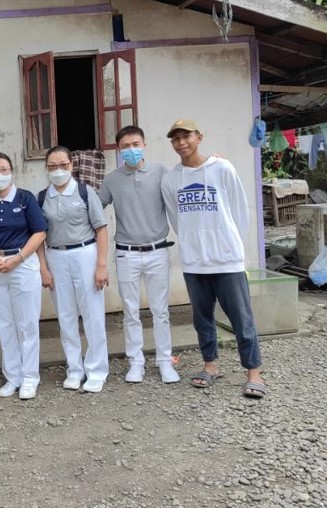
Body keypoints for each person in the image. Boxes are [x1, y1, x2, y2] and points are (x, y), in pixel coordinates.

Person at [160, 119, 266, 399]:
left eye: (186, 136)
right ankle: (211, 365)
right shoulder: (171, 179)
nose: (181, 143)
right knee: (202, 318)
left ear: (199, 137)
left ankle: (253, 372)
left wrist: (230, 244)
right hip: (194, 262)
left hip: (227, 259)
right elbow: (176, 218)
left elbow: (239, 209)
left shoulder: (222, 168)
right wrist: (195, 242)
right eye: (175, 139)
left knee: (241, 318)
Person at [99, 126, 180, 384]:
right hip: (126, 254)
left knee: (160, 310)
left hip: (158, 250)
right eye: (125, 146)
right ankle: (136, 362)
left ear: (144, 145)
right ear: (118, 150)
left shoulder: (160, 172)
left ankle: (165, 361)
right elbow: (95, 209)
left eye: (135, 144)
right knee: (130, 312)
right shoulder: (111, 179)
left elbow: (178, 197)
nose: (131, 150)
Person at [37, 146, 110, 394]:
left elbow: (101, 229)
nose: (58, 170)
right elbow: (39, 236)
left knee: (92, 313)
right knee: (66, 316)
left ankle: (97, 370)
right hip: (55, 255)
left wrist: (101, 265)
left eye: (63, 165)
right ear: (46, 168)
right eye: (52, 166)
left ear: (71, 166)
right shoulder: (41, 198)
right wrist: (43, 268)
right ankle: (74, 369)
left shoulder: (84, 191)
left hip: (85, 253)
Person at [0, 152, 47, 400]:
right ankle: (12, 376)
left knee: (26, 324)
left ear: (12, 171)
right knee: (4, 324)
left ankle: (29, 378)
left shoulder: (26, 198)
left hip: (23, 263)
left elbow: (39, 233)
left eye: (4, 170)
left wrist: (18, 258)